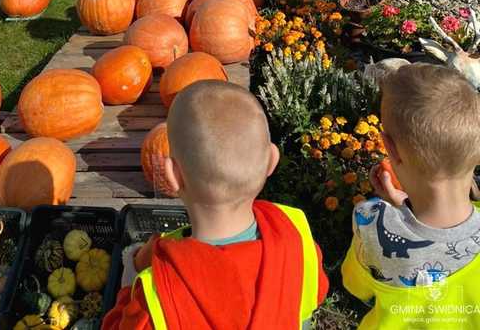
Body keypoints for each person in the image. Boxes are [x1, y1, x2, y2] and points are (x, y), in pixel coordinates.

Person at [103, 80, 329, 330]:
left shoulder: (157, 294)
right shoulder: (297, 235)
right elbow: (316, 292)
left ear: (172, 175)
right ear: (271, 161)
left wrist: (129, 282)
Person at [342, 63, 480, 329]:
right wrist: (401, 206)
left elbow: (355, 285)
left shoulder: (371, 222)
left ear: (390, 149)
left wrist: (392, 211)